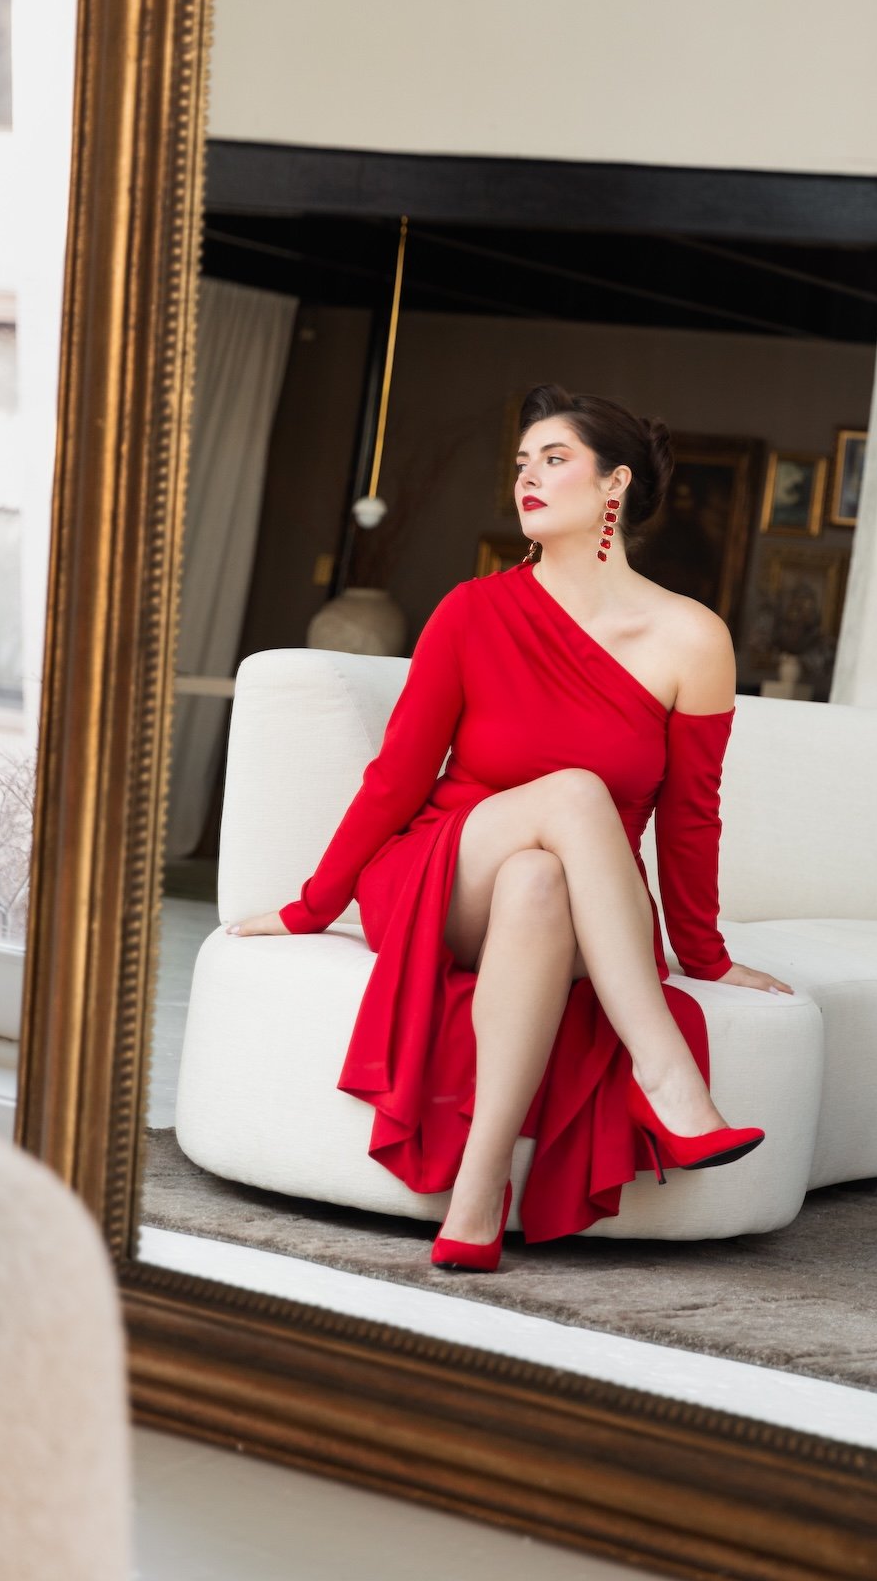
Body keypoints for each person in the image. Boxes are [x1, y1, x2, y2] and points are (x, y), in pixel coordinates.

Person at [226, 383, 793, 1269]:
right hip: (443, 875)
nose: (528, 476)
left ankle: (479, 1192)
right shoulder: (471, 610)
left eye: (554, 459)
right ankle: (665, 1074)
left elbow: (690, 817)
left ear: (615, 485)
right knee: (571, 794)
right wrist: (310, 906)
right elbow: (396, 780)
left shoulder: (691, 638)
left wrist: (706, 954)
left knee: (541, 879)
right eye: (522, 462)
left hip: (573, 902)